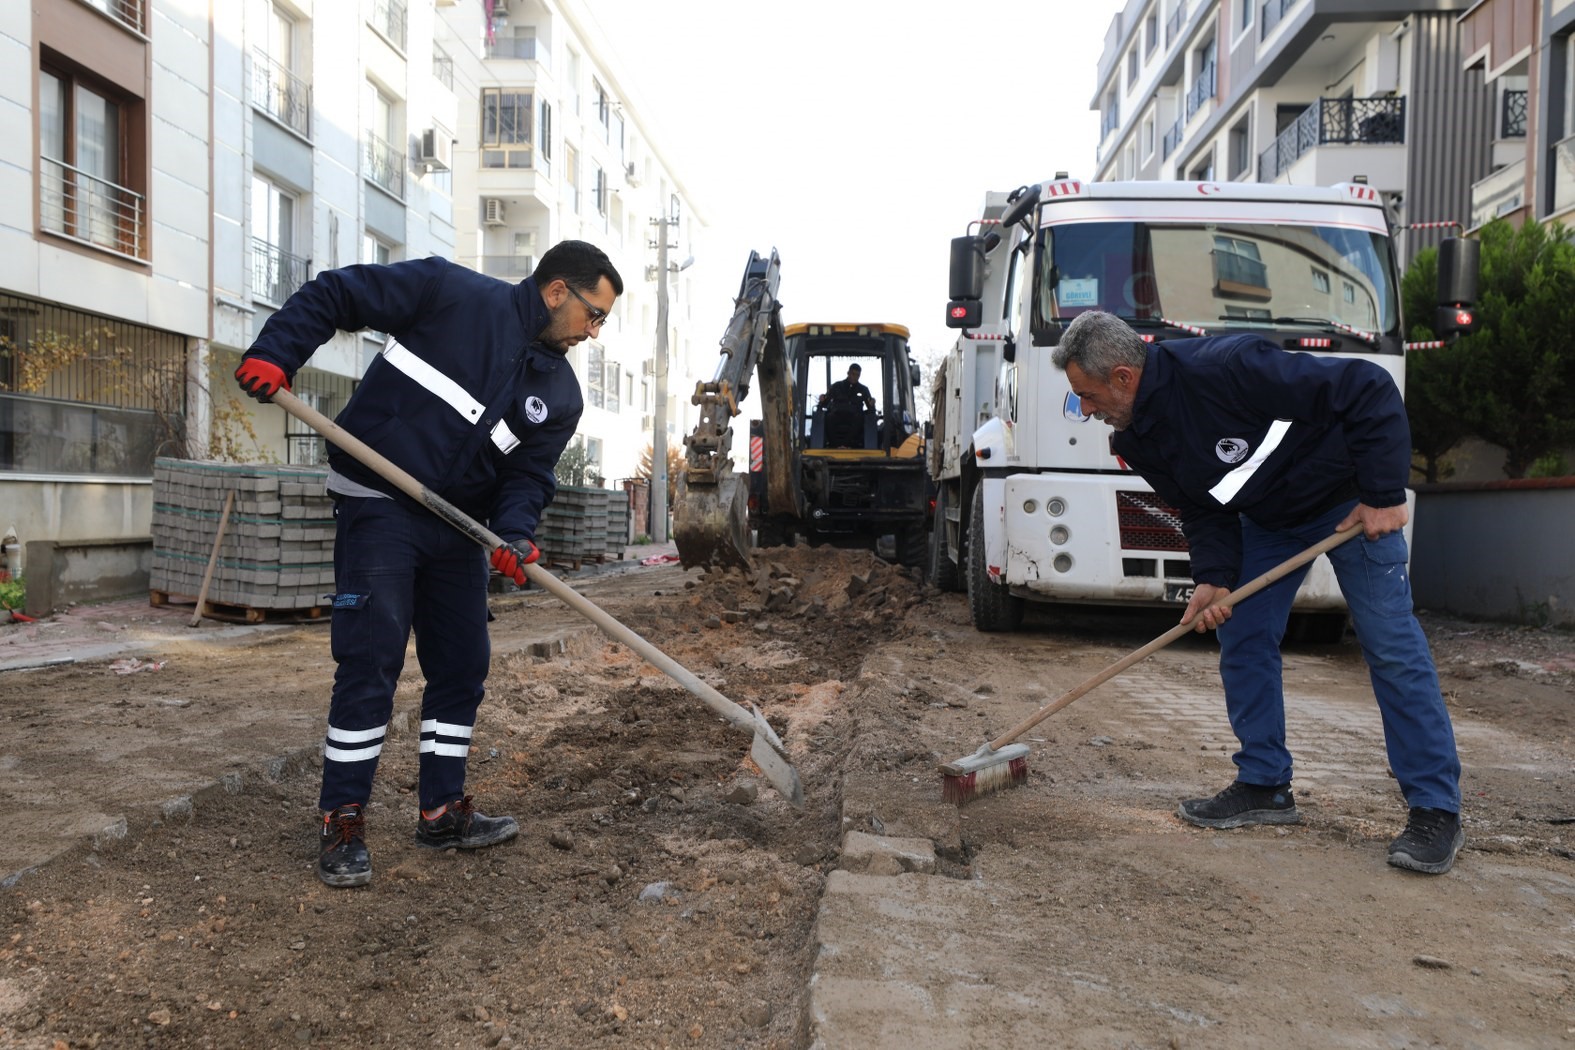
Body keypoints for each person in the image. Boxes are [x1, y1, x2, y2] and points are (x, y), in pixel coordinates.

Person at [235, 240, 623, 888]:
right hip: (380, 502)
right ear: (558, 290)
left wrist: (515, 534)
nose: (594, 331)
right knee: (373, 653)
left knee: (463, 662)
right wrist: (278, 352)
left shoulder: (559, 394)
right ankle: (342, 818)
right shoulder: (451, 294)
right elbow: (337, 293)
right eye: (594, 314)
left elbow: (527, 476)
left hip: (455, 529)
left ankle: (440, 808)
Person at [1052, 310, 1464, 875]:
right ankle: (1265, 783)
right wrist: (1214, 578)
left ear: (1123, 376)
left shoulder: (1229, 368)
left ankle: (1435, 809)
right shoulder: (1137, 438)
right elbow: (1200, 505)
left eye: (1088, 396)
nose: (1087, 410)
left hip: (1349, 501)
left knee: (1389, 643)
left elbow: (1367, 386)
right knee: (1242, 632)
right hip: (1270, 523)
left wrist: (1383, 490)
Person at [819, 363, 876, 448]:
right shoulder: (836, 386)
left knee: (861, 418)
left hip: (854, 416)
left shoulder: (863, 389)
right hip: (837, 414)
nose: (855, 377)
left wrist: (872, 404)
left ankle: (845, 445)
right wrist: (822, 400)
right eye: (853, 374)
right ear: (848, 373)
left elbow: (870, 407)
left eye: (857, 375)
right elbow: (825, 402)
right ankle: (835, 445)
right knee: (828, 417)